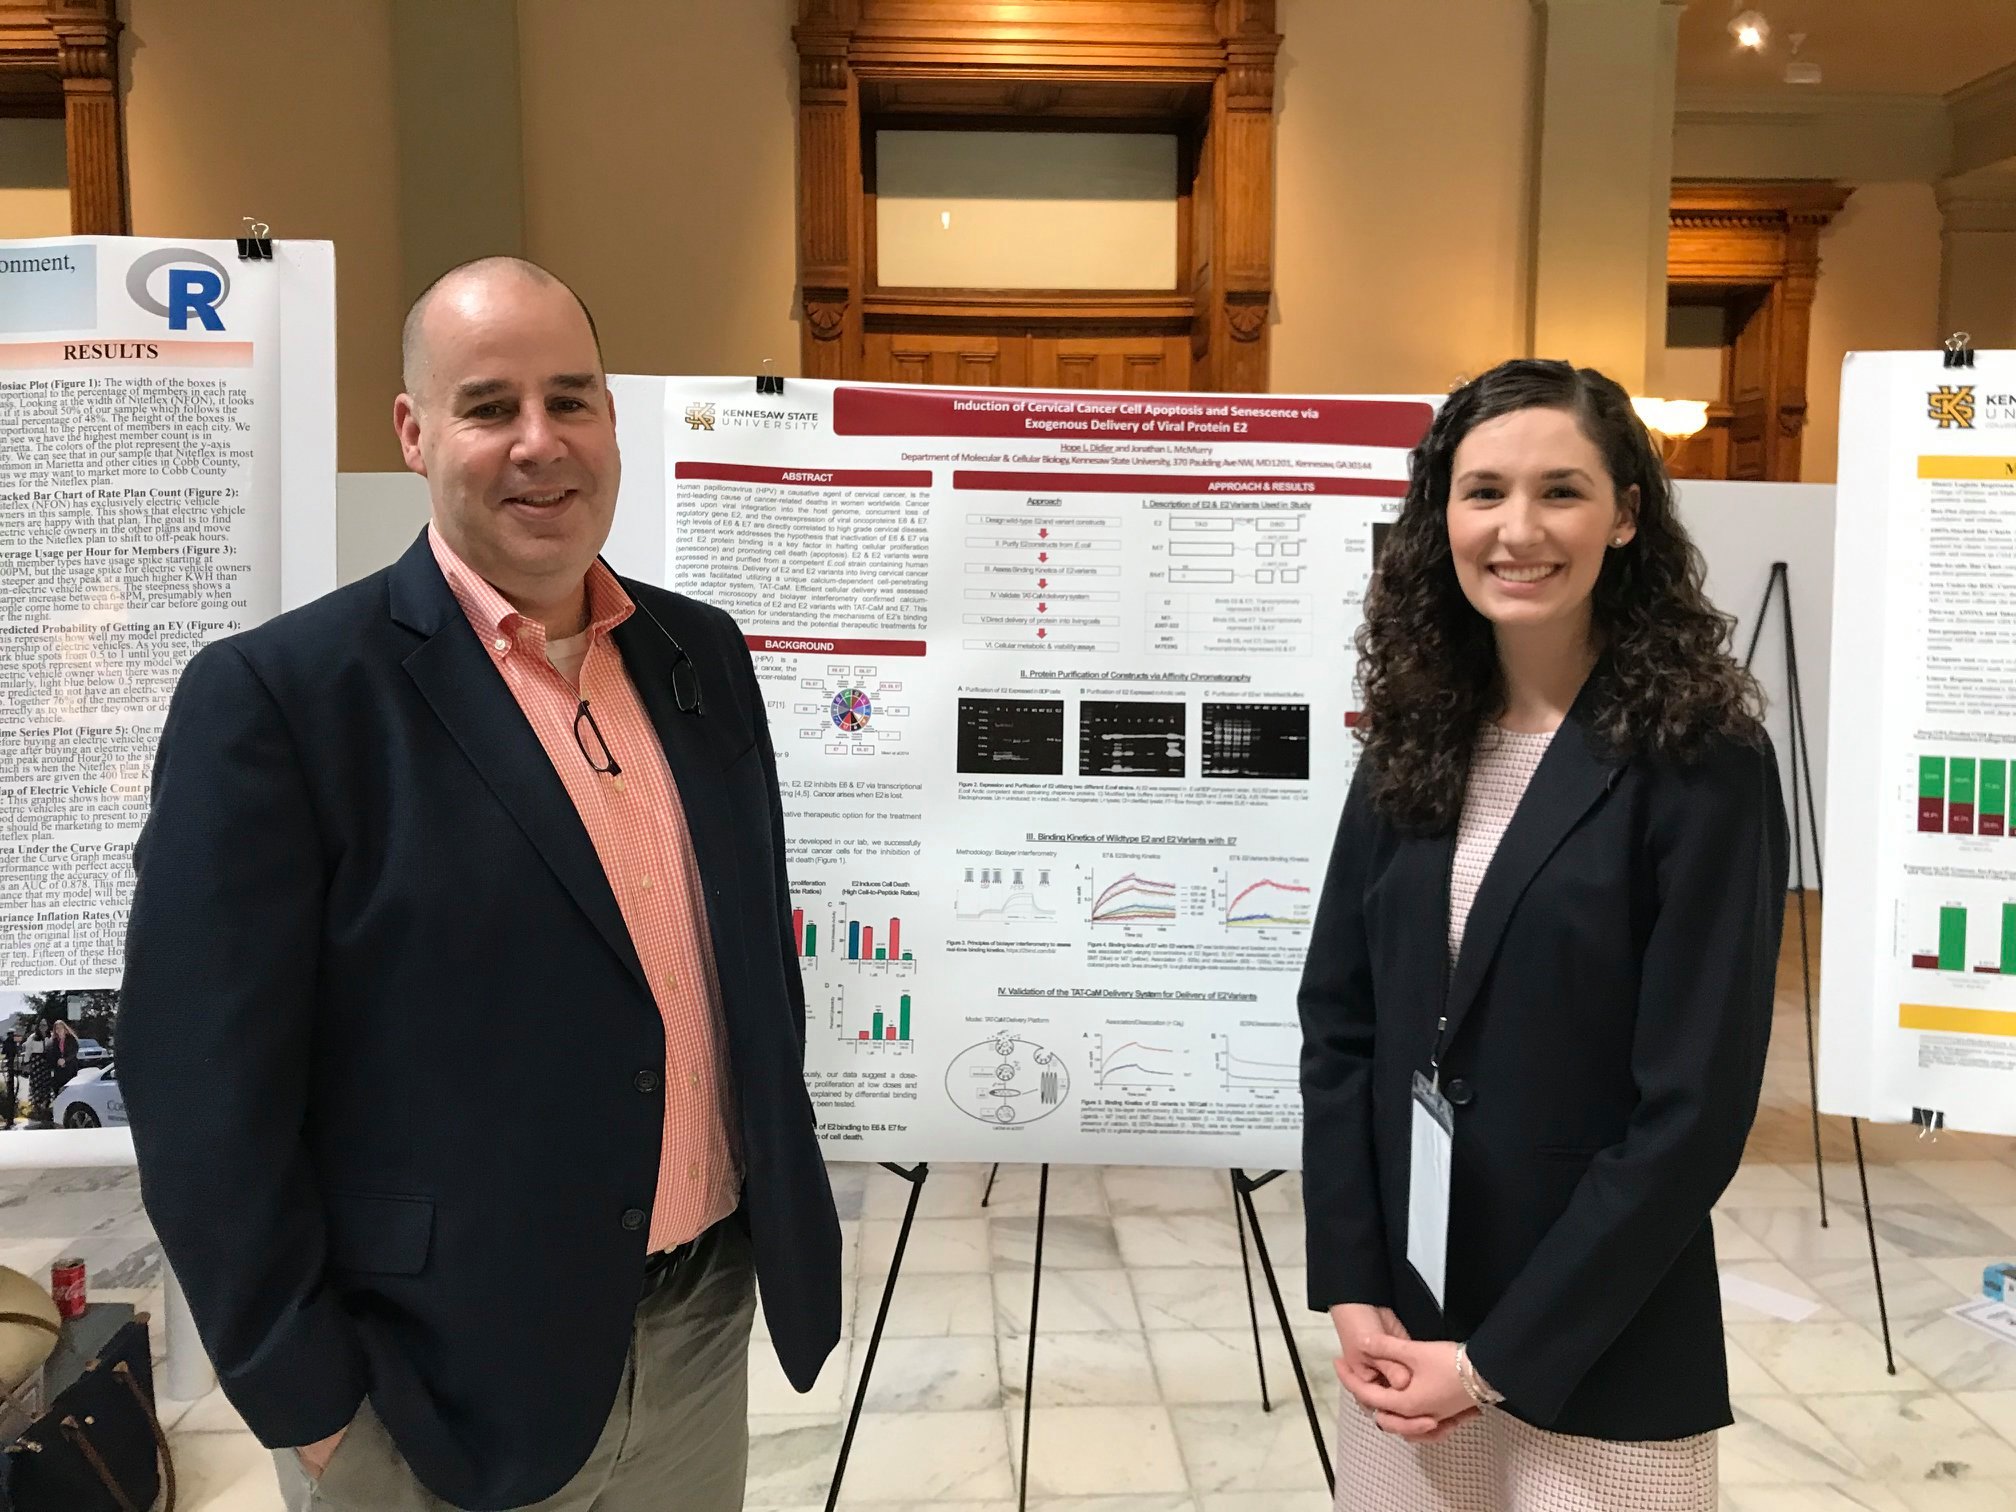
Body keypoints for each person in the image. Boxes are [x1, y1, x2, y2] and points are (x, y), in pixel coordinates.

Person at [119, 256, 840, 1512]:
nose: (538, 444)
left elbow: (742, 971)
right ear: (412, 431)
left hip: (697, 1327)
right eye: (489, 405)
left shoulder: (698, 655)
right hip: (432, 1387)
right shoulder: (284, 703)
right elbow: (198, 1093)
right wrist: (314, 1409)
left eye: (572, 400)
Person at [1299, 358, 1789, 1511]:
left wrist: (1497, 1362)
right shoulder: (1418, 733)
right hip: (1406, 1330)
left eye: (1561, 491)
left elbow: (1693, 1112)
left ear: (1626, 515)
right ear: (1442, 517)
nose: (1518, 530)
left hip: (1602, 1340)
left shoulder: (1704, 759)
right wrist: (1350, 1276)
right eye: (1483, 493)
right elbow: (1343, 1022)